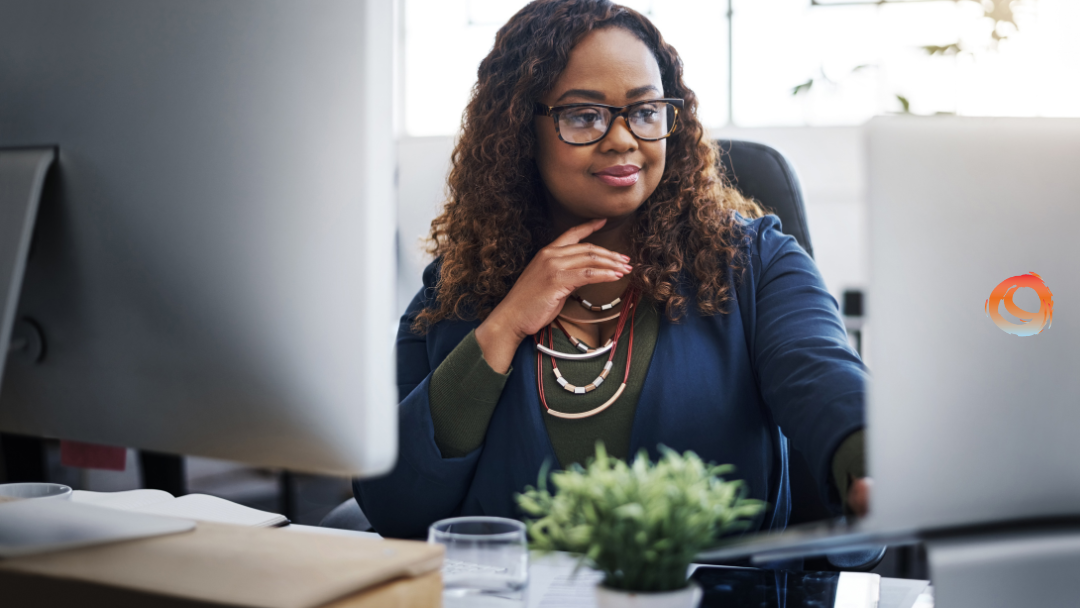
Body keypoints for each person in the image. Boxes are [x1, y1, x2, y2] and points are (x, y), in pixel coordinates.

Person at [354, 0, 869, 540]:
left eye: (646, 111)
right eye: (584, 115)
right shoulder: (456, 289)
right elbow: (392, 504)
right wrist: (503, 326)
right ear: (518, 132)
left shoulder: (754, 262)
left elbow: (823, 376)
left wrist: (871, 463)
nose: (624, 138)